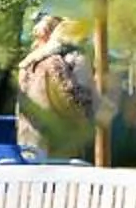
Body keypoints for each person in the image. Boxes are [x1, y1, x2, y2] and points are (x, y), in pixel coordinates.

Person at [14, 15, 96, 160]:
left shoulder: (27, 64)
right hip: (58, 151)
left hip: (29, 145)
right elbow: (76, 106)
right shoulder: (68, 61)